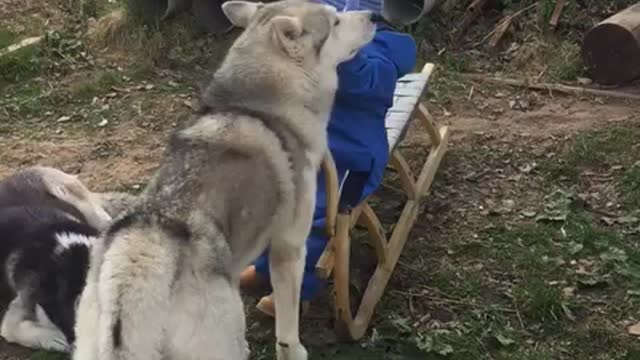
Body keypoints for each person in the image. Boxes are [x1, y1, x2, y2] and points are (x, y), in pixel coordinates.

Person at [240, 0, 417, 316]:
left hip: (349, 160)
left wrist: (340, 52)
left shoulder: (387, 50)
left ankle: (297, 291)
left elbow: (366, 83)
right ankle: (265, 267)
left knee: (317, 216)